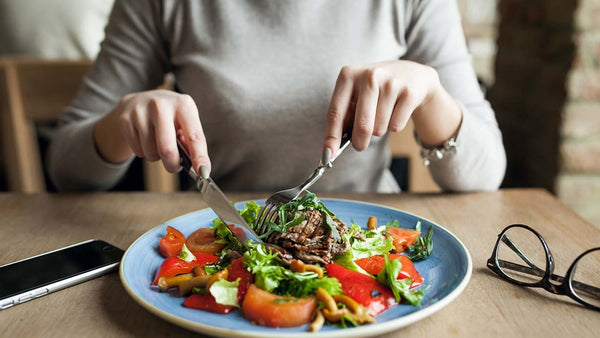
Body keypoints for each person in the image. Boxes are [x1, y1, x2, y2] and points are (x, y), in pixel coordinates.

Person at [47, 0, 506, 193]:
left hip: (369, 251)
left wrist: (431, 97)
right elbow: (66, 168)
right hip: (220, 248)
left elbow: (487, 173)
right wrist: (123, 122)